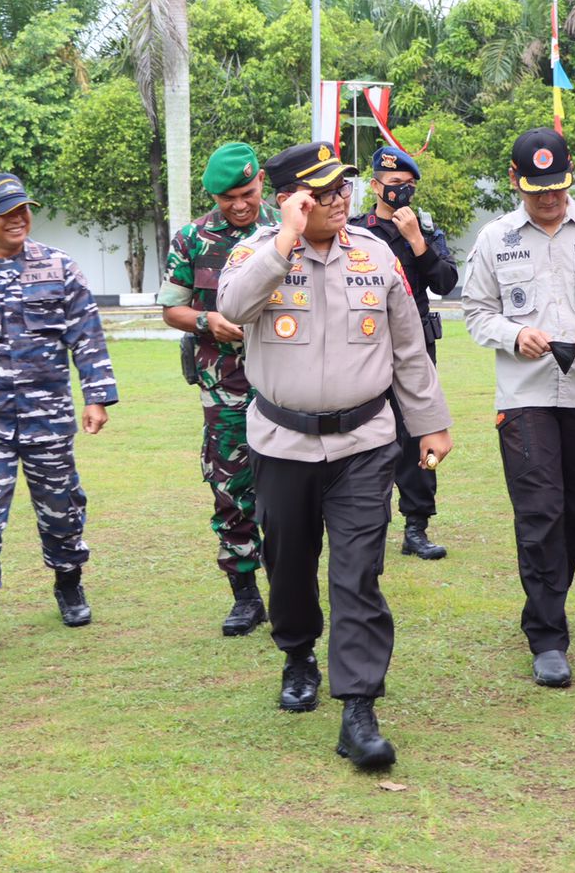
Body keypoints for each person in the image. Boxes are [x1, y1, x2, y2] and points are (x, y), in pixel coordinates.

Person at [218, 141, 452, 770]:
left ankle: (358, 708)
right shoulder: (257, 254)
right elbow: (231, 308)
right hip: (282, 442)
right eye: (320, 193)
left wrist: (430, 423)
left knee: (358, 573)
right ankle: (298, 655)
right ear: (290, 200)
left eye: (341, 189)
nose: (337, 200)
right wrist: (284, 242)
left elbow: (409, 350)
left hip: (364, 443)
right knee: (288, 565)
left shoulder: (375, 257)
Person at [462, 128, 575, 689]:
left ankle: (546, 597)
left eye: (558, 188)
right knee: (540, 508)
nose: (549, 199)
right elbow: (474, 310)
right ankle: (547, 635)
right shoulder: (495, 239)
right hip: (525, 396)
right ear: (516, 181)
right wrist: (514, 336)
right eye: (537, 189)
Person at [0, 173, 118, 657]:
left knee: (61, 510)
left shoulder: (60, 268)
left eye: (23, 209)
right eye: (7, 212)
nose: (19, 219)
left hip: (48, 418)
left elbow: (87, 336)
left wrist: (96, 396)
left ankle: (69, 583)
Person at [158, 141, 280, 635]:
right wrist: (207, 320)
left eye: (247, 193)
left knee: (293, 489)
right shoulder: (192, 239)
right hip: (225, 387)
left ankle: (294, 586)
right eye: (228, 198)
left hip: (287, 384)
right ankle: (246, 595)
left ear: (261, 185)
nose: (239, 205)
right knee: (231, 486)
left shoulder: (286, 229)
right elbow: (171, 308)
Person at [349, 145, 460, 560]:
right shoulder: (356, 230)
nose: (401, 193)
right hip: (365, 346)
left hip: (416, 350)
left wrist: (416, 241)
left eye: (408, 186)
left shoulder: (426, 231)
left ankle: (417, 526)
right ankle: (367, 525)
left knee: (419, 432)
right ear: (376, 185)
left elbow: (446, 281)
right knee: (369, 435)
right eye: (394, 185)